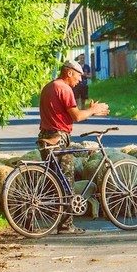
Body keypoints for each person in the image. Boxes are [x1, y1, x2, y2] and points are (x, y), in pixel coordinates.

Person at [38, 59, 110, 234]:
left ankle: (36, 217)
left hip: (45, 136)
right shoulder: (64, 89)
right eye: (78, 76)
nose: (79, 80)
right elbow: (76, 116)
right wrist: (93, 110)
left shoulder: (49, 87)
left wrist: (91, 109)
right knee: (67, 182)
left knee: (53, 182)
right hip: (59, 138)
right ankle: (66, 225)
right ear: (69, 72)